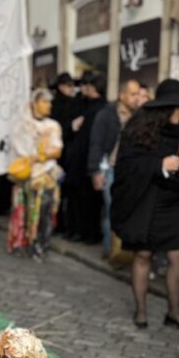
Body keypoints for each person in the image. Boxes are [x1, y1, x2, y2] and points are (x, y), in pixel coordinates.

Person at [110, 79, 179, 331]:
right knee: (143, 255)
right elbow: (126, 167)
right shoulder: (138, 128)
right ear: (165, 108)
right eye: (178, 107)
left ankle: (174, 312)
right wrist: (159, 165)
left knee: (178, 256)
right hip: (145, 200)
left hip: (172, 203)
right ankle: (141, 312)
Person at [7, 88, 63, 261]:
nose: (48, 105)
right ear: (34, 103)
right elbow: (18, 149)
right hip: (24, 175)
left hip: (45, 176)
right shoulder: (22, 125)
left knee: (44, 211)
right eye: (44, 102)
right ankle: (22, 242)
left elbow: (57, 151)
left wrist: (40, 156)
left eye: (49, 102)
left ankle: (40, 244)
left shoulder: (53, 126)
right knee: (23, 210)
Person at [88, 78, 140, 257]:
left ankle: (124, 251)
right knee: (112, 209)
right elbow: (96, 143)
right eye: (133, 94)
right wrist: (95, 171)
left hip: (131, 171)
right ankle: (110, 250)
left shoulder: (138, 116)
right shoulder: (106, 114)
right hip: (110, 168)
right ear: (122, 95)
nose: (136, 98)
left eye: (138, 94)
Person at [63, 71, 106, 244]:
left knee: (89, 202)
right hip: (77, 161)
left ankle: (90, 233)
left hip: (88, 161)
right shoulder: (83, 105)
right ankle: (78, 230)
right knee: (77, 200)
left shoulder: (100, 109)